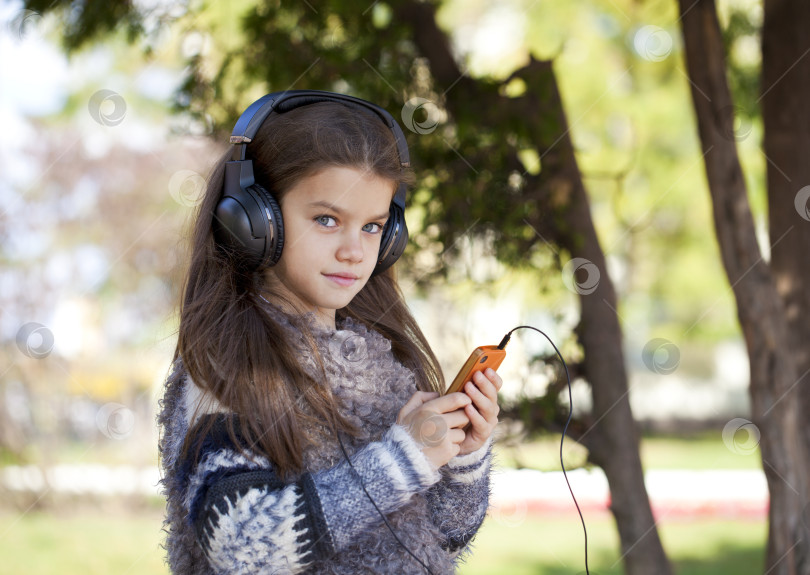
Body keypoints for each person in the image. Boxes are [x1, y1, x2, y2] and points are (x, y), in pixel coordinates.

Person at [158, 91, 502, 574]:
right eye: (326, 219)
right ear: (255, 221)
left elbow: (442, 540)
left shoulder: (381, 364)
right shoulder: (230, 366)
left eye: (372, 227)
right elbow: (245, 549)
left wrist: (462, 459)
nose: (355, 251)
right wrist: (402, 461)